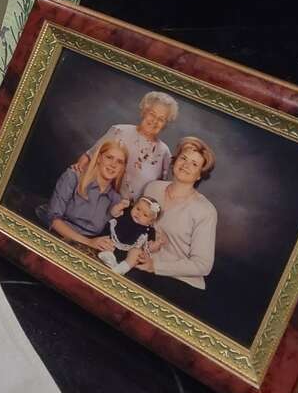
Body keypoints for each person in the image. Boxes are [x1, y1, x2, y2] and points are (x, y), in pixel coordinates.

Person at [136, 136, 217, 289]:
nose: (186, 165)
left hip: (180, 282)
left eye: (194, 164)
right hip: (140, 266)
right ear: (175, 160)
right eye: (183, 158)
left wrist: (155, 266)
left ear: (200, 174)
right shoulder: (152, 188)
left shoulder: (205, 210)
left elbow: (202, 265)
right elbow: (137, 225)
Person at [74, 91, 176, 200]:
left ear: (166, 124)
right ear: (144, 112)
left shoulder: (164, 152)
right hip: (99, 199)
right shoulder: (119, 131)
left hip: (135, 209)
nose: (155, 121)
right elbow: (88, 158)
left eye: (161, 119)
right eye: (152, 114)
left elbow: (161, 189)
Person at [38, 139, 128, 251]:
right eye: (109, 157)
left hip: (85, 248)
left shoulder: (116, 200)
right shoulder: (73, 177)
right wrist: (89, 242)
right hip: (53, 236)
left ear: (122, 168)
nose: (113, 165)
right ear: (99, 158)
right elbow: (53, 220)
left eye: (119, 162)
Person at [99, 195, 161, 275]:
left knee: (137, 253)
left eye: (145, 215)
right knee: (106, 241)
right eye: (138, 209)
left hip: (127, 253)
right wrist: (120, 205)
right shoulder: (126, 212)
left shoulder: (149, 230)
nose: (139, 214)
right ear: (133, 206)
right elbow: (113, 213)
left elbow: (148, 247)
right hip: (112, 242)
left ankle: (122, 268)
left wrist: (154, 246)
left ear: (150, 222)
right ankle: (108, 257)